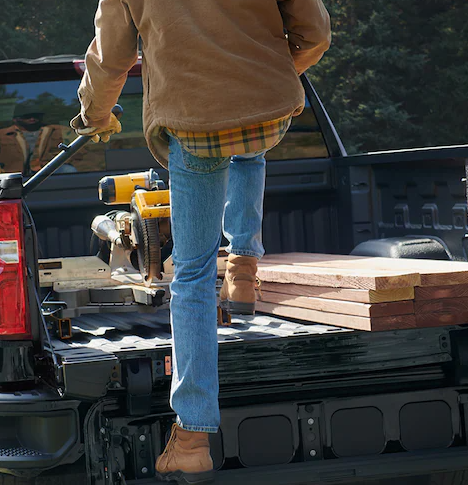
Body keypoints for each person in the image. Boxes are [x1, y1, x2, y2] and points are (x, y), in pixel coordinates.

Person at [72, 1, 330, 483]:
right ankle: (245, 268)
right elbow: (313, 32)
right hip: (264, 105)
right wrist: (268, 72)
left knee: (190, 276)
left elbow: (111, 56)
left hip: (193, 121)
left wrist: (94, 115)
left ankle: (191, 438)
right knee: (249, 140)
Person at [0, 111, 77, 176]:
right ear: (15, 118)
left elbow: (84, 152)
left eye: (36, 115)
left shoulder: (59, 131)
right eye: (26, 115)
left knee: (69, 171)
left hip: (54, 178)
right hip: (15, 181)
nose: (32, 118)